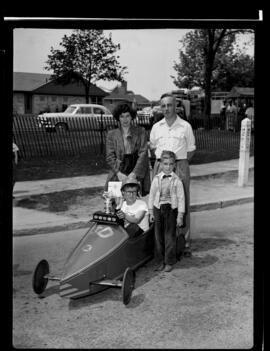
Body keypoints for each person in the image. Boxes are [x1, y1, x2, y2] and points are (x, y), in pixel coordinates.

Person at [149, 93, 196, 257]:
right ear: (160, 108)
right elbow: (154, 148)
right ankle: (162, 245)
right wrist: (163, 165)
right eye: (163, 106)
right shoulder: (156, 127)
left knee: (182, 203)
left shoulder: (185, 126)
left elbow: (191, 150)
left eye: (169, 105)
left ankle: (184, 243)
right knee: (160, 204)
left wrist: (178, 165)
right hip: (161, 166)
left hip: (180, 165)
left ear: (176, 106)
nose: (166, 109)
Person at [148, 150, 185, 272]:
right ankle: (160, 261)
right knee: (158, 236)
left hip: (171, 209)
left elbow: (181, 199)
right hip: (158, 208)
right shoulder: (156, 179)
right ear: (161, 165)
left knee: (169, 236)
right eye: (165, 164)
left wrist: (180, 216)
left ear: (174, 165)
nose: (168, 167)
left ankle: (169, 261)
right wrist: (151, 212)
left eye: (170, 164)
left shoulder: (177, 181)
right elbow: (152, 196)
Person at [105, 103, 150, 196]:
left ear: (131, 117)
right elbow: (110, 156)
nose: (125, 119)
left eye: (127, 116)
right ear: (118, 118)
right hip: (119, 169)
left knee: (134, 201)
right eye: (122, 116)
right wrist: (118, 173)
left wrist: (134, 173)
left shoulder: (141, 131)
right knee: (116, 201)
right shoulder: (112, 134)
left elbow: (143, 153)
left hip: (136, 167)